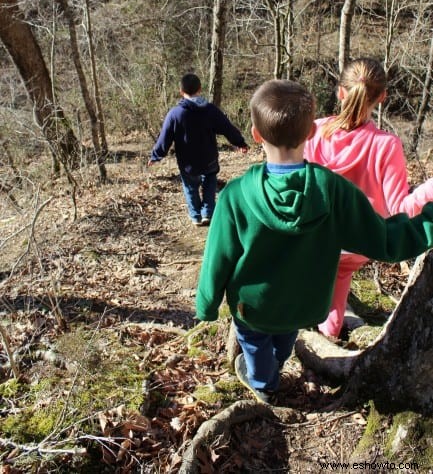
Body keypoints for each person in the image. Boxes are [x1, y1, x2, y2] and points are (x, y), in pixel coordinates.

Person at [195, 79, 433, 404]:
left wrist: (206, 305)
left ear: (256, 134)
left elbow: (217, 259)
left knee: (256, 345)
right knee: (284, 336)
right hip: (305, 306)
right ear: (310, 133)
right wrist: (428, 221)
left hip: (252, 307)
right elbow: (386, 241)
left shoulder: (235, 195)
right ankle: (277, 362)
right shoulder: (334, 191)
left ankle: (264, 384)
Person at [304, 57, 433, 339]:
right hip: (355, 246)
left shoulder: (311, 132)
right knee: (338, 278)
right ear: (383, 97)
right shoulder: (386, 146)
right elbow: (401, 209)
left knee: (320, 275)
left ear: (340, 91)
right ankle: (327, 338)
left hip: (310, 239)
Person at [148, 73, 248, 226]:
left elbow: (165, 138)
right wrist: (240, 143)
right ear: (200, 89)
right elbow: (227, 128)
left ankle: (195, 216)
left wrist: (156, 156)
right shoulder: (210, 110)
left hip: (188, 162)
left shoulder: (175, 114)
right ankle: (208, 213)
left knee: (190, 187)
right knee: (209, 183)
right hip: (209, 158)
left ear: (181, 91)